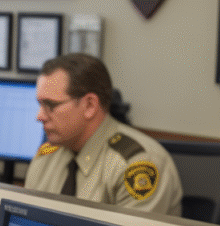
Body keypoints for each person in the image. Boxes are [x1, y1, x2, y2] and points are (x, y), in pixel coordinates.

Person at [24, 53, 182, 216]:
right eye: (40, 104)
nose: (39, 116)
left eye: (50, 105)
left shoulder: (138, 163)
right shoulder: (46, 156)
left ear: (90, 105)